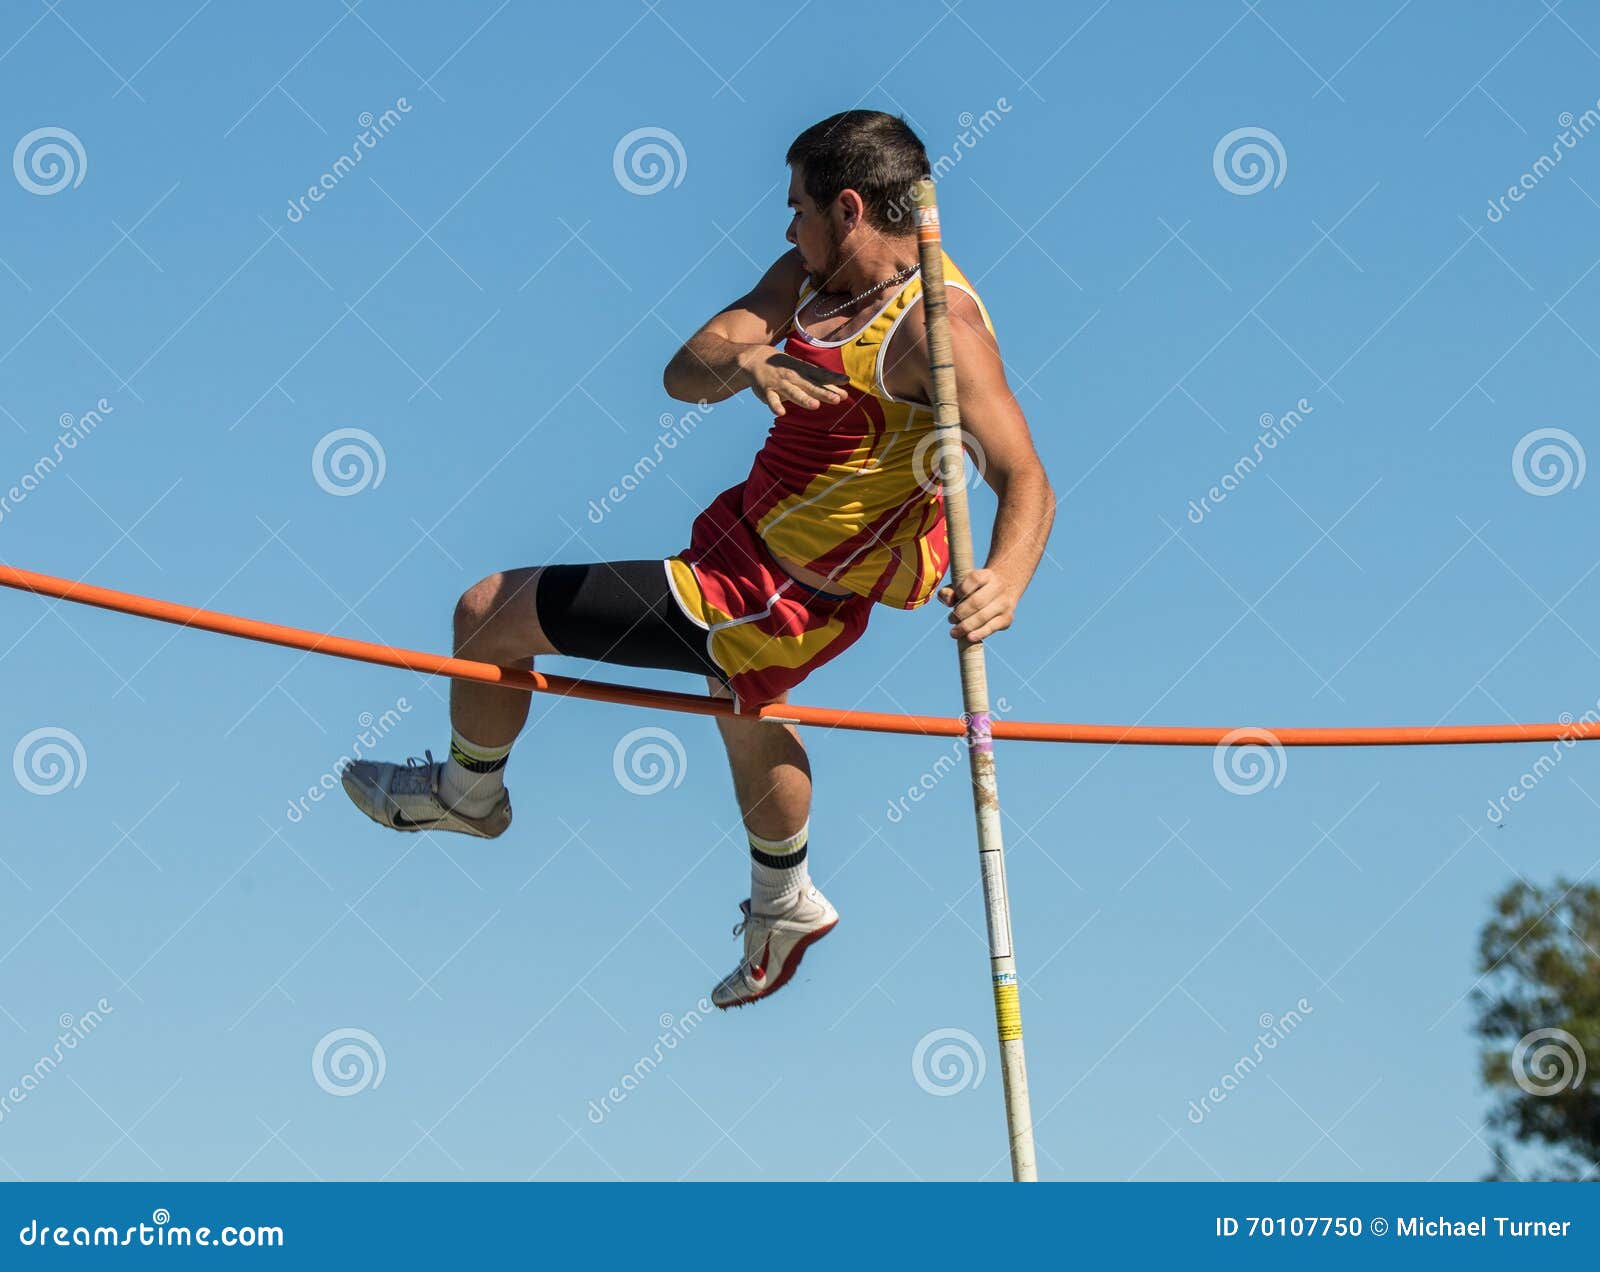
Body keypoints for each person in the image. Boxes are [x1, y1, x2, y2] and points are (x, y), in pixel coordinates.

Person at [341, 110, 1055, 1009]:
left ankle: (467, 794)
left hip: (763, 596)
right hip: (742, 551)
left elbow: (1025, 476)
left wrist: (1007, 579)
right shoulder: (808, 277)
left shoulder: (933, 335)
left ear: (849, 208)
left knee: (488, 611)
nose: (784, 225)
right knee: (744, 710)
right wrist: (751, 363)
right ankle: (783, 898)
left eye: (796, 207)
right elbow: (685, 370)